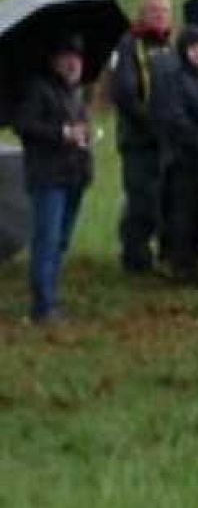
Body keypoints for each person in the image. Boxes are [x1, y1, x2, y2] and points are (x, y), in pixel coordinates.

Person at [12, 37, 93, 325]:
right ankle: (43, 306)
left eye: (77, 58)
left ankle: (51, 299)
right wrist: (62, 133)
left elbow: (80, 128)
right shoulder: (38, 88)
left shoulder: (77, 92)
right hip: (48, 177)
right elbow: (24, 125)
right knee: (47, 240)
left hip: (74, 176)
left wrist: (84, 137)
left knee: (60, 241)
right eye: (66, 57)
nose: (73, 63)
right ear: (54, 61)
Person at [153, 25, 198, 284]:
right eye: (193, 48)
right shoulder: (174, 79)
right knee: (181, 212)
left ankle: (197, 259)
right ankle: (179, 262)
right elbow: (174, 119)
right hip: (181, 159)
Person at [109, 0, 173, 273]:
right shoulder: (128, 45)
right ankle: (134, 256)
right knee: (141, 198)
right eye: (154, 11)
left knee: (167, 198)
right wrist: (153, 123)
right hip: (138, 137)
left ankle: (166, 253)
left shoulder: (173, 46)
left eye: (164, 11)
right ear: (142, 14)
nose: (160, 16)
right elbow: (124, 93)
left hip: (170, 138)